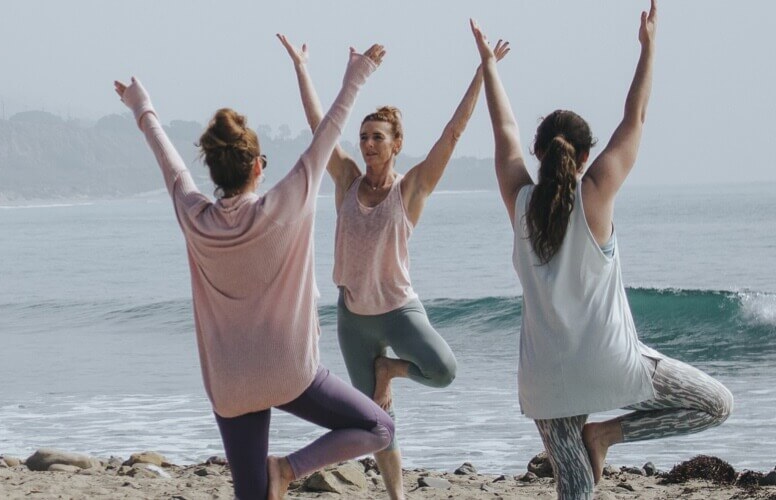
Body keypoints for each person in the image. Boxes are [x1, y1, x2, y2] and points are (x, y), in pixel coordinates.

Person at [471, 3, 733, 498]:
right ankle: (608, 433)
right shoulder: (597, 193)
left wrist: (489, 68)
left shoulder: (520, 201)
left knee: (575, 488)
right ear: (586, 155)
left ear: (538, 153)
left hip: (545, 379)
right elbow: (635, 116)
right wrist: (649, 46)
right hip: (610, 363)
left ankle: (597, 439)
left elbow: (502, 133)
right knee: (716, 405)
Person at [114, 44, 393, 500]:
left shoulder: (194, 216)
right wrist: (356, 76)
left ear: (215, 170)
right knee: (379, 427)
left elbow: (169, 162)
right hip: (289, 370)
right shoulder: (284, 206)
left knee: (249, 495)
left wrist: (142, 107)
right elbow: (329, 133)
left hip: (230, 383)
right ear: (258, 167)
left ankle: (273, 477)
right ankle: (287, 469)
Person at [277, 32, 508, 499]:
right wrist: (302, 69)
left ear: (397, 143)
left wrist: (484, 70)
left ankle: (391, 370)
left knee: (443, 369)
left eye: (377, 137)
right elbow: (321, 126)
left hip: (400, 309)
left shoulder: (411, 190)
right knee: (378, 423)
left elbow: (453, 134)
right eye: (363, 137)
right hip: (353, 318)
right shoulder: (345, 178)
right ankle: (397, 496)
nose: (366, 144)